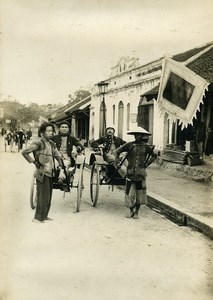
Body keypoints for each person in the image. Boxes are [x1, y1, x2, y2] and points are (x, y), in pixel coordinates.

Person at [22, 122, 63, 223]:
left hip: (50, 172)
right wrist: (34, 161)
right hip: (42, 172)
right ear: (42, 132)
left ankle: (44, 216)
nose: (51, 133)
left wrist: (62, 164)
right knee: (42, 196)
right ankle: (37, 218)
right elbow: (24, 152)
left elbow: (57, 155)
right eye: (48, 131)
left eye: (52, 131)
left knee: (48, 196)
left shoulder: (52, 143)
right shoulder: (38, 143)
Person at [115, 127, 157, 219]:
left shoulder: (146, 146)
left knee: (140, 194)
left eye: (139, 135)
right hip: (130, 173)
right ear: (134, 136)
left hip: (141, 174)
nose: (137, 136)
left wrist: (146, 165)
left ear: (142, 136)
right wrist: (117, 163)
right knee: (129, 194)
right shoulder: (129, 145)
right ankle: (131, 210)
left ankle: (137, 212)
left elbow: (154, 155)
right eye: (136, 135)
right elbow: (117, 151)